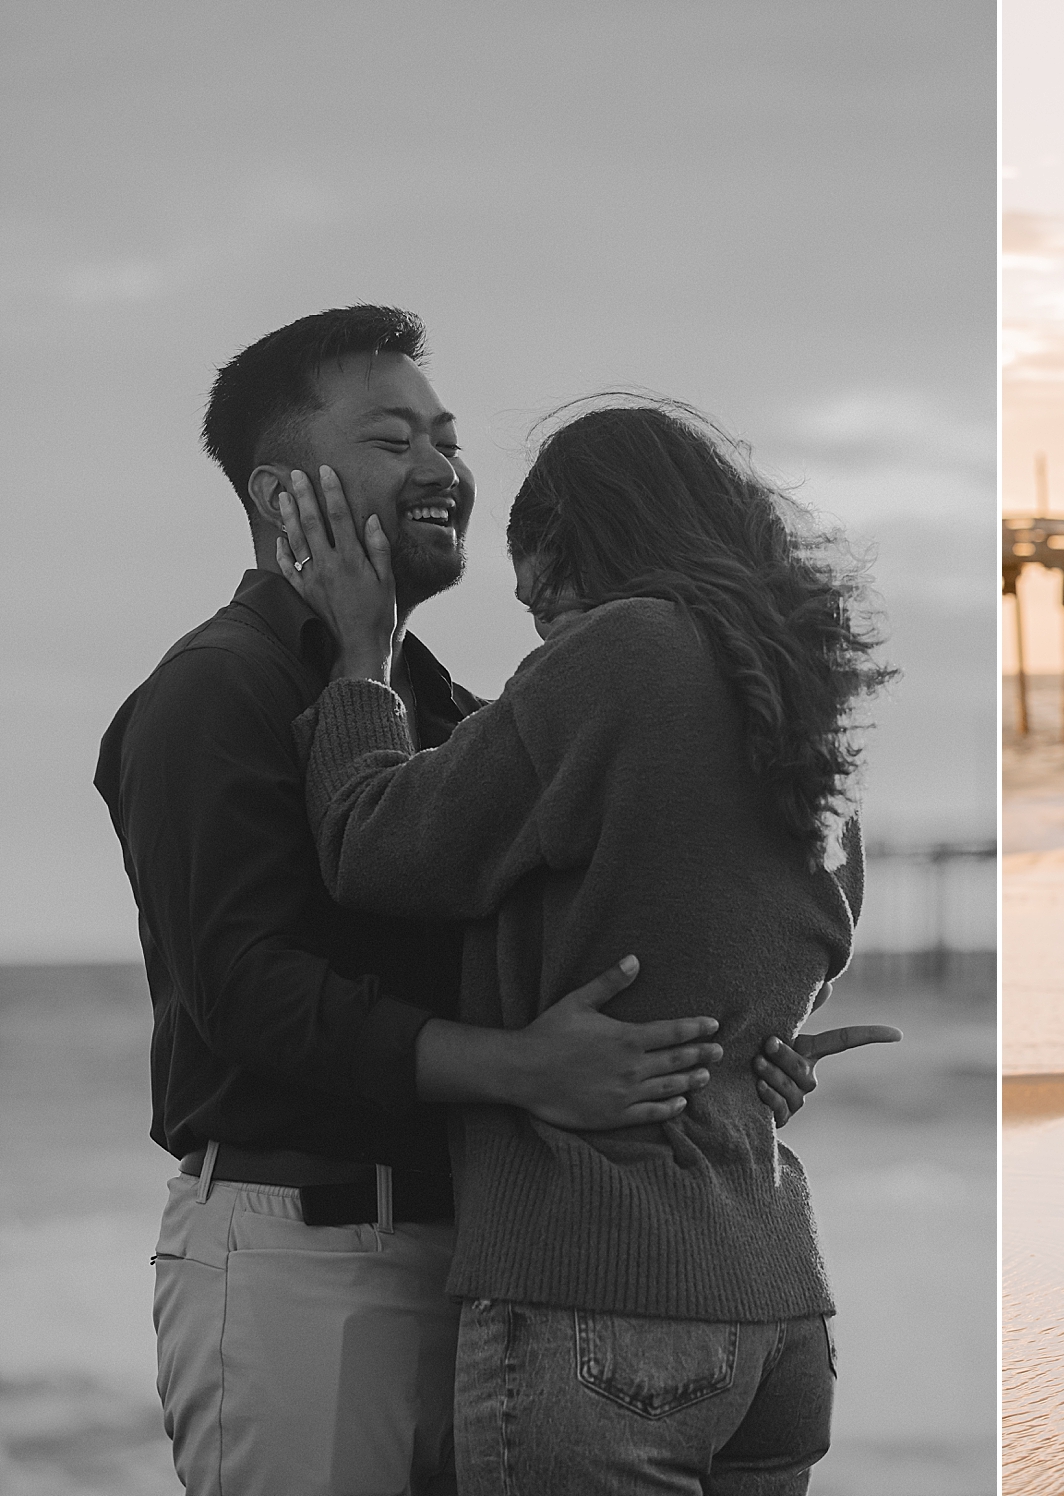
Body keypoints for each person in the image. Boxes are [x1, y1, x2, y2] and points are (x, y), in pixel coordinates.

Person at [95, 308, 818, 1495]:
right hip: (304, 1251)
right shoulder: (210, 692)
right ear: (284, 496)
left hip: (499, 1258)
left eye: (446, 437)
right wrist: (521, 1067)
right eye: (393, 440)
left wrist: (733, 1048)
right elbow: (247, 993)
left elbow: (570, 937)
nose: (442, 468)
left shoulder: (452, 707)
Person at [273, 394, 897, 1493]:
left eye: (546, 586)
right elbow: (811, 930)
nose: (543, 624)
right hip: (774, 1308)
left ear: (598, 540)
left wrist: (363, 661)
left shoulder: (626, 647)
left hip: (597, 1291)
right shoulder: (801, 688)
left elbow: (376, 847)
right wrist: (756, 1048)